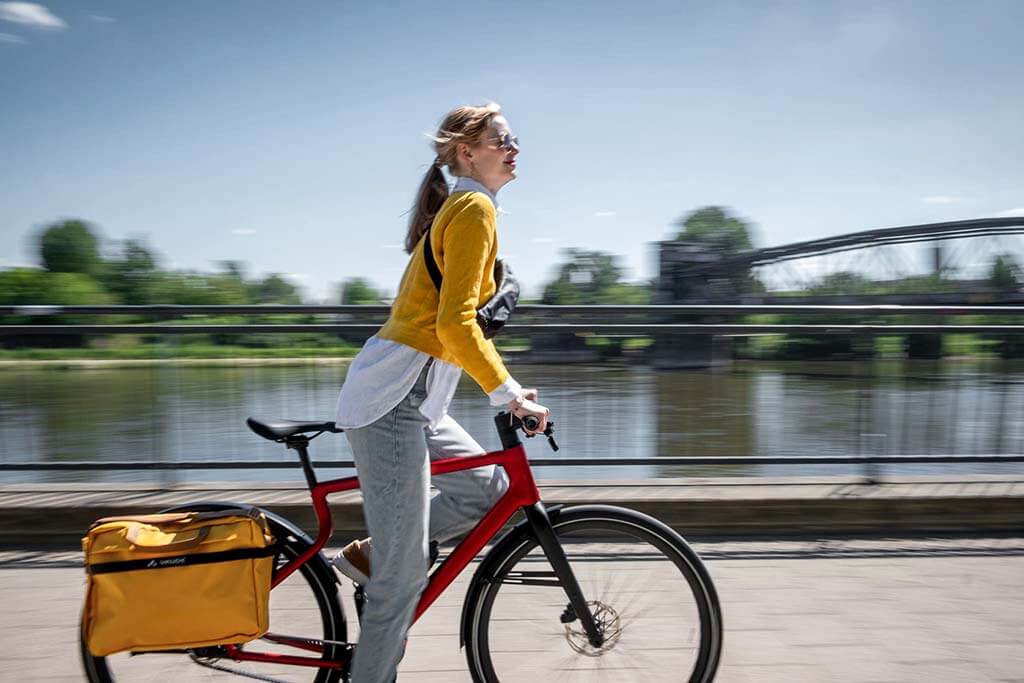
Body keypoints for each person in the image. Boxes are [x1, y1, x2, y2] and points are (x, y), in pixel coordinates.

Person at [333, 102, 550, 683]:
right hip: (392, 404)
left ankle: (378, 553)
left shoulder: (469, 206)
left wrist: (506, 386)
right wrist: (507, 394)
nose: (514, 149)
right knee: (402, 586)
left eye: (513, 139)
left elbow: (453, 329)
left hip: (416, 402)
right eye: (501, 140)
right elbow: (456, 324)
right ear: (466, 152)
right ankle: (388, 582)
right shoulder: (473, 206)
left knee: (489, 488)